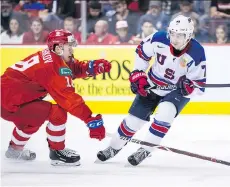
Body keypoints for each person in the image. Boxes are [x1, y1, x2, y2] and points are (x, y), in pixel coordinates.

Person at [97, 15, 207, 166]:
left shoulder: (196, 52)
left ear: (188, 36)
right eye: (173, 34)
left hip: (175, 91)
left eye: (180, 35)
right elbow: (142, 53)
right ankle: (113, 147)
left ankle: (146, 149)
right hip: (153, 83)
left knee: (165, 112)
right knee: (132, 121)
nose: (174, 39)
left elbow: (199, 87)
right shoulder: (159, 38)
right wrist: (138, 73)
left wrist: (189, 88)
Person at [1, 29, 111, 166]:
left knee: (33, 119)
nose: (72, 49)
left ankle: (14, 151)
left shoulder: (54, 56)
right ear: (58, 47)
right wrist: (90, 120)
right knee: (57, 113)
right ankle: (57, 153)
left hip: (10, 99)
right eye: (69, 46)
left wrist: (91, 67)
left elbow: (73, 67)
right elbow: (69, 99)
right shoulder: (52, 66)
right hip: (9, 103)